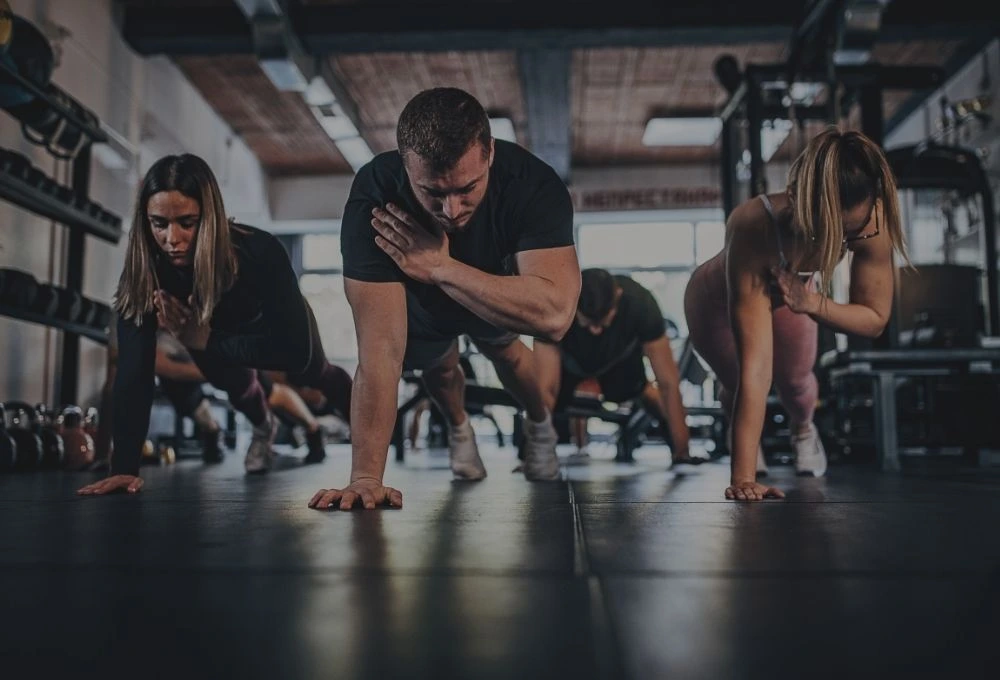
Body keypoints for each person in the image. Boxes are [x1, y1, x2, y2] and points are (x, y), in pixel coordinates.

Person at [309, 87, 580, 511]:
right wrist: (365, 478)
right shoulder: (376, 195)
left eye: (467, 188)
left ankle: (541, 428)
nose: (452, 210)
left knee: (507, 354)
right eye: (433, 192)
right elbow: (380, 353)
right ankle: (459, 429)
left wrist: (440, 267)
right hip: (421, 301)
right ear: (405, 165)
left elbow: (556, 315)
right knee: (440, 366)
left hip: (492, 289)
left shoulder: (531, 184)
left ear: (490, 154)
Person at [78, 154, 353, 497]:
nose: (172, 238)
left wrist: (205, 339)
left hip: (271, 328)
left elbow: (294, 354)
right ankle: (263, 425)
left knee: (315, 372)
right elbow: (134, 369)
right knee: (233, 382)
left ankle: (376, 448)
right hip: (209, 331)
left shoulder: (259, 250)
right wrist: (124, 468)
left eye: (187, 223)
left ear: (209, 217)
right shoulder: (145, 271)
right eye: (159, 223)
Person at [684, 126, 907, 502]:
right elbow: (757, 369)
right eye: (832, 233)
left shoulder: (872, 221)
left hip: (789, 291)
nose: (843, 244)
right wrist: (744, 480)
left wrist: (812, 303)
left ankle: (803, 429)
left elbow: (873, 319)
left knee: (798, 385)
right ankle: (745, 441)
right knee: (739, 381)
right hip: (714, 302)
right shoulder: (753, 223)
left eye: (850, 235)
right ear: (800, 202)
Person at [534, 268, 698, 467]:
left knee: (649, 393)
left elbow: (668, 383)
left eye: (602, 322)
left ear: (618, 297)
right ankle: (533, 451)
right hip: (569, 366)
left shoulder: (640, 304)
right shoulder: (555, 305)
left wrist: (683, 453)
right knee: (538, 397)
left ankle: (678, 447)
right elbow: (545, 388)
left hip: (619, 365)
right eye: (588, 323)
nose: (595, 331)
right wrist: (537, 453)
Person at [155, 331, 330, 463]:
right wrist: (214, 373)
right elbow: (162, 366)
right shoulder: (155, 328)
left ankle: (314, 430)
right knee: (178, 391)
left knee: (266, 391)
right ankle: (212, 432)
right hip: (183, 351)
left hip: (217, 339)